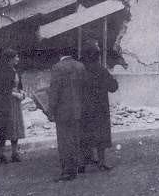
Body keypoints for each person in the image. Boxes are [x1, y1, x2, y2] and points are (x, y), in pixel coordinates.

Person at [48, 48, 86, 182]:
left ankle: (67, 170)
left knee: (64, 141)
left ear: (60, 54)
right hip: (78, 109)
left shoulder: (57, 68)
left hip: (62, 111)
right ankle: (77, 166)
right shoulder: (80, 66)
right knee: (76, 139)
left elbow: (54, 91)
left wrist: (50, 110)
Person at [80, 40, 118, 171]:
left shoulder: (80, 70)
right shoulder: (101, 70)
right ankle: (101, 162)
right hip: (100, 107)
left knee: (85, 133)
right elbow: (113, 87)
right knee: (101, 134)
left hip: (84, 107)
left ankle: (84, 162)